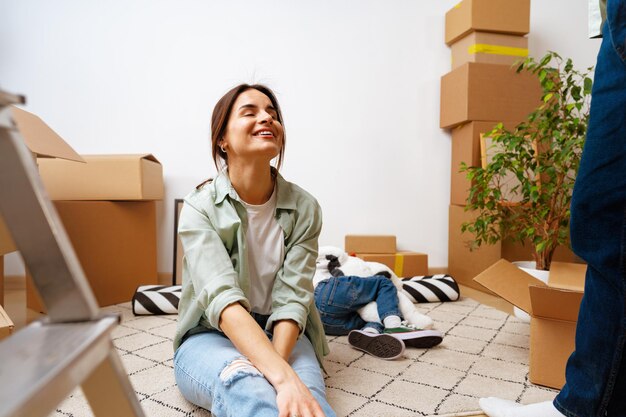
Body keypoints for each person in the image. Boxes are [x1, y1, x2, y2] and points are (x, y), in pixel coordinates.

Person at [480, 0, 626, 416]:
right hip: (612, 25)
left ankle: (582, 406)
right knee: (603, 219)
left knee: (604, 218)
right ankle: (587, 403)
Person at [173, 84, 336, 417]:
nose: (267, 119)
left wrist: (282, 374)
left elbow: (293, 299)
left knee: (307, 405)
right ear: (223, 139)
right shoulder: (198, 208)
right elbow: (223, 301)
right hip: (211, 335)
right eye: (250, 112)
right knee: (248, 388)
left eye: (272, 114)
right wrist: (279, 377)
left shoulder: (305, 208)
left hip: (283, 332)